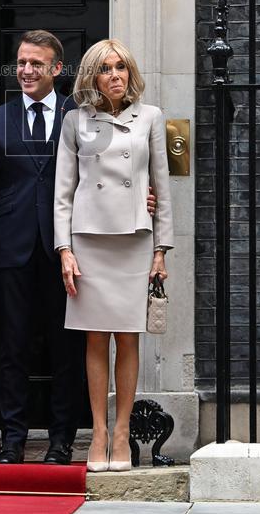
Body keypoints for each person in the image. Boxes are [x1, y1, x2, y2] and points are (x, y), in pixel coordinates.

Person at [0, 30, 155, 465]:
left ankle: (62, 440)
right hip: (12, 245)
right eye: (22, 62)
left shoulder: (82, 113)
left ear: (56, 69)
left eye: (36, 64)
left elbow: (115, 167)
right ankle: (13, 439)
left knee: (68, 349)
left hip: (76, 246)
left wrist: (142, 196)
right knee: (12, 346)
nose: (26, 70)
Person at [53, 39, 173, 472]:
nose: (116, 75)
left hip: (135, 237)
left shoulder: (151, 118)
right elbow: (62, 191)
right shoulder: (75, 121)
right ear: (92, 77)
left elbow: (162, 182)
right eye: (106, 69)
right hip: (89, 237)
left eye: (121, 66)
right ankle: (98, 432)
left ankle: (121, 432)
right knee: (94, 336)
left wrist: (162, 249)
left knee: (128, 335)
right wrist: (64, 249)